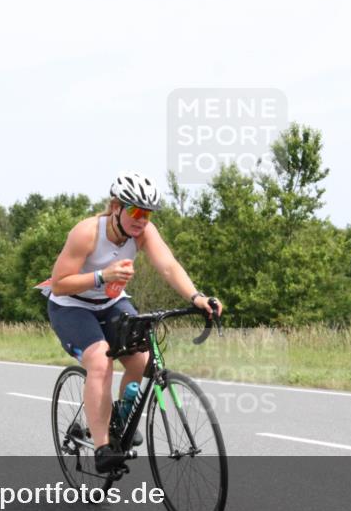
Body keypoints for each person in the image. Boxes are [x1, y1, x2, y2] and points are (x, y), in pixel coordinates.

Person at [46, 172, 222, 473]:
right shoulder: (87, 232)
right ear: (116, 206)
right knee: (101, 361)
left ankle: (120, 420)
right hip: (71, 306)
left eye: (148, 213)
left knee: (141, 362)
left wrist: (197, 298)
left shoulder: (143, 232)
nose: (142, 219)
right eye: (136, 211)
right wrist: (103, 276)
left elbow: (168, 265)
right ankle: (102, 446)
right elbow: (60, 284)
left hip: (111, 302)